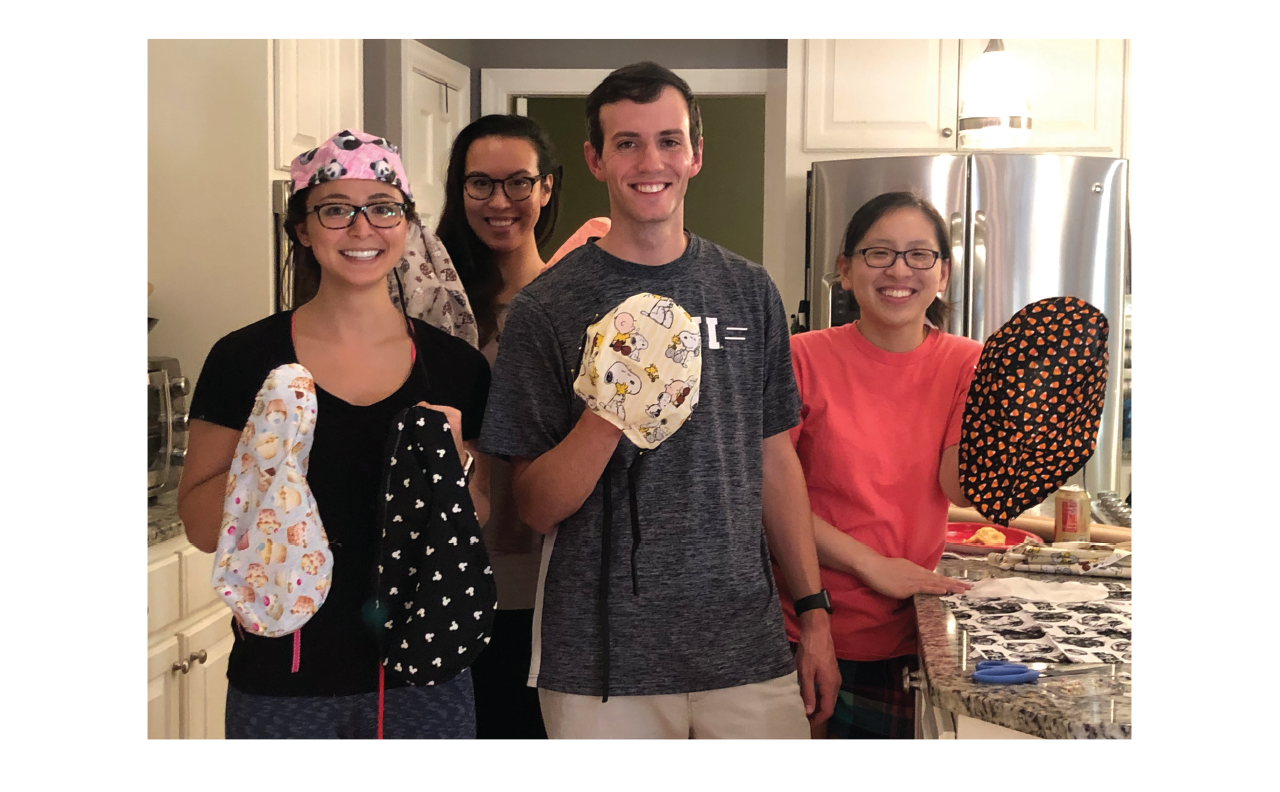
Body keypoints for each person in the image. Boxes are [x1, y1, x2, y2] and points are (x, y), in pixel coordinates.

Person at [478, 62, 840, 740]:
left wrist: (814, 612)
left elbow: (774, 461)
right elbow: (534, 508)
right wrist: (613, 408)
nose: (651, 162)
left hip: (745, 650)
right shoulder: (545, 309)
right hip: (600, 665)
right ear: (596, 159)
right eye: (627, 143)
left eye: (669, 140)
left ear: (695, 154)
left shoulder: (749, 291)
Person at [178, 130, 492, 740]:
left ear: (406, 225)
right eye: (336, 210)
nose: (361, 227)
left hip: (425, 674)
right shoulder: (244, 360)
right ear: (303, 228)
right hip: (284, 678)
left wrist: (459, 465)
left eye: (383, 208)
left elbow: (482, 520)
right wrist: (265, 457)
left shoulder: (456, 366)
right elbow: (199, 526)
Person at [778, 191, 980, 740]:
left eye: (919, 254)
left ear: (942, 274)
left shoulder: (968, 362)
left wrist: (1027, 436)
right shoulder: (800, 357)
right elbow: (768, 497)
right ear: (845, 271)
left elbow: (959, 486)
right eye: (879, 253)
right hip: (806, 626)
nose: (899, 270)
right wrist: (871, 565)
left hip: (915, 625)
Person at [435, 114, 562, 740]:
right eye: (480, 183)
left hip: (554, 584)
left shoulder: (572, 301)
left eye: (519, 182)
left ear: (547, 187)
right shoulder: (432, 306)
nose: (500, 201)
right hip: (443, 577)